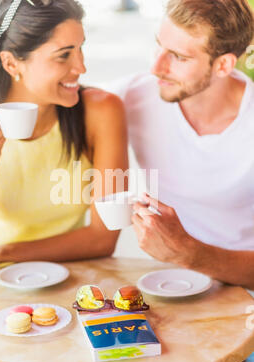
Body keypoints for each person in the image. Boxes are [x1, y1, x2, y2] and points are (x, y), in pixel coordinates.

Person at [0, 0, 128, 287]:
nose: (81, 67)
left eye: (81, 48)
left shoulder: (102, 112)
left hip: (79, 282)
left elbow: (104, 236)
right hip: (2, 291)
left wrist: (5, 253)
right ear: (11, 63)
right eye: (64, 56)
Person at [108, 0, 254, 291]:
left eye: (178, 56)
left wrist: (190, 253)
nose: (156, 67)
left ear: (223, 64)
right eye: (159, 46)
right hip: (171, 288)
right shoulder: (132, 96)